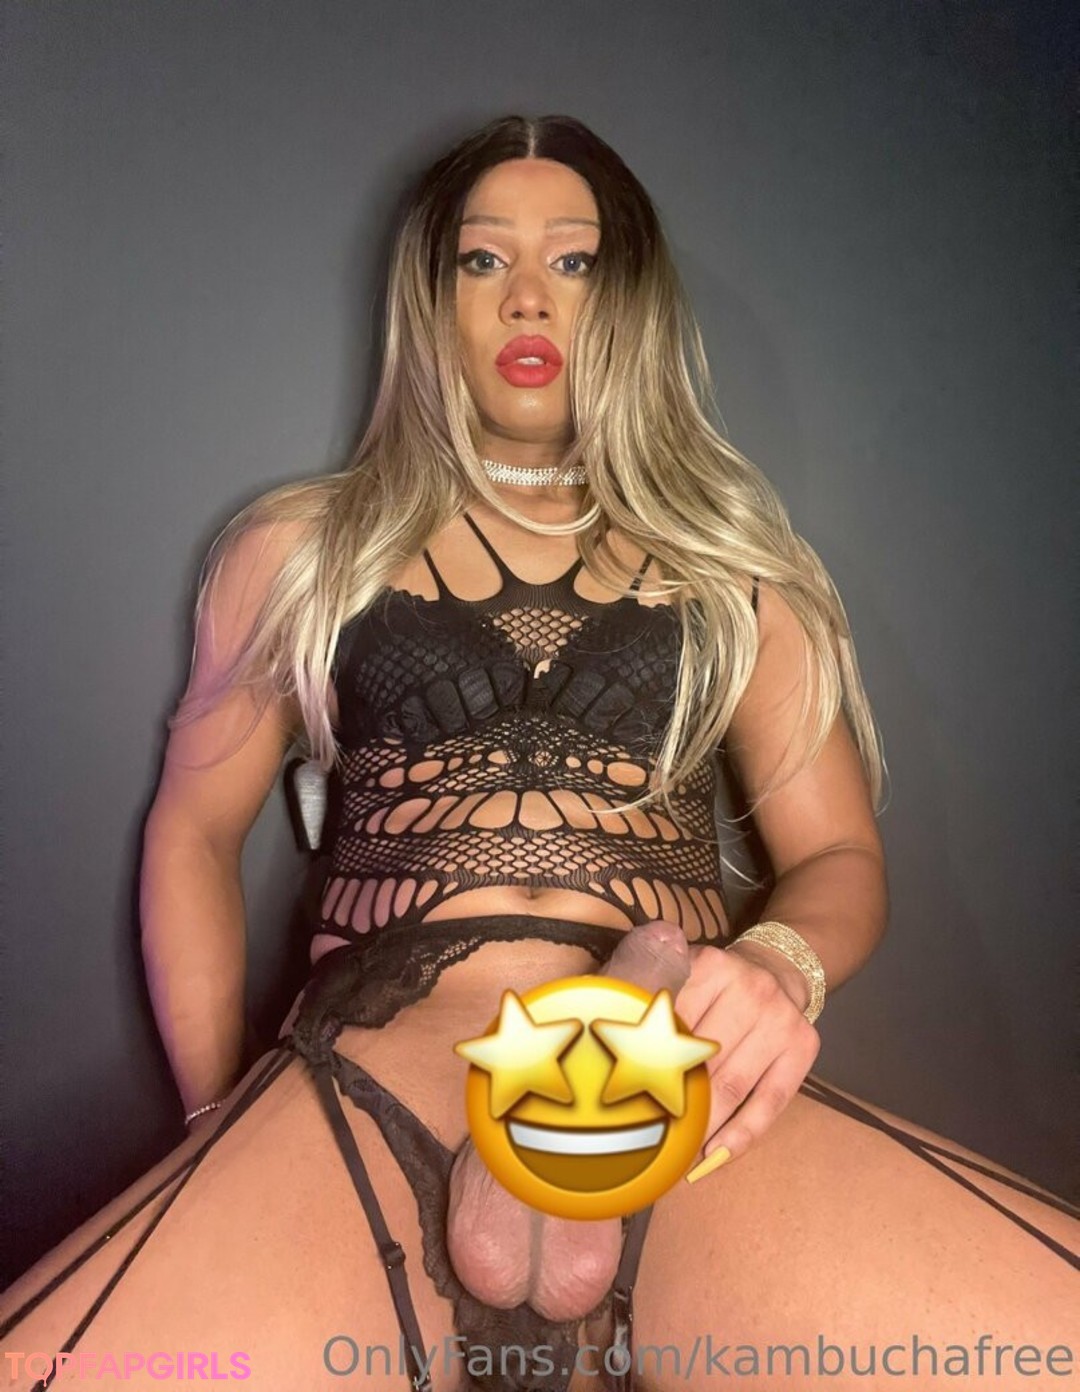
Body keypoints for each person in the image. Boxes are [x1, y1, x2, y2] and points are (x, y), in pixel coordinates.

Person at [2, 114, 1076, 1392]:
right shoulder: (300, 552)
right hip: (374, 1076)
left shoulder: (738, 574)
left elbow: (841, 854)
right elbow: (192, 830)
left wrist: (779, 966)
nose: (527, 295)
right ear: (433, 298)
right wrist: (213, 1121)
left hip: (667, 1078)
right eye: (482, 259)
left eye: (573, 260)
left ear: (629, 300)